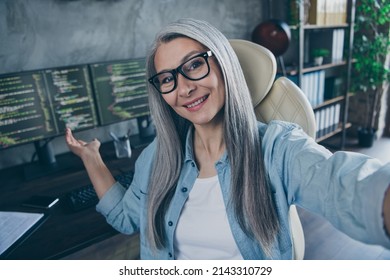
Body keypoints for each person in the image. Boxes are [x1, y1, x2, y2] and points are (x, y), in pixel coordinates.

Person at [65, 18, 390, 260]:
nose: (184, 87)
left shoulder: (278, 150)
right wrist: (92, 158)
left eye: (194, 65)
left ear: (223, 64)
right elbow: (125, 217)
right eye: (167, 78)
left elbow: (347, 186)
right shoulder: (155, 159)